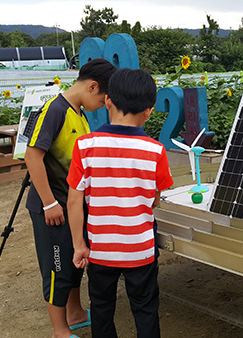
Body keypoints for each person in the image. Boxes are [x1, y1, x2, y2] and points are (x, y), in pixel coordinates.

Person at [66, 68, 173, 338]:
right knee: (145, 308)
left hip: (101, 250)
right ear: (149, 111)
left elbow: (74, 201)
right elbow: (155, 199)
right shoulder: (155, 151)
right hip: (140, 249)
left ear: (108, 101)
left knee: (102, 308)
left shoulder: (84, 146)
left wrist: (80, 245)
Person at [24, 58, 117, 338]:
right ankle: (60, 330)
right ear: (92, 86)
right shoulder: (54, 110)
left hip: (72, 205)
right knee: (56, 267)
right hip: (52, 206)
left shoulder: (79, 111)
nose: (103, 105)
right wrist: (50, 203)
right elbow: (32, 156)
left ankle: (75, 313)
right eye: (104, 99)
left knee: (76, 261)